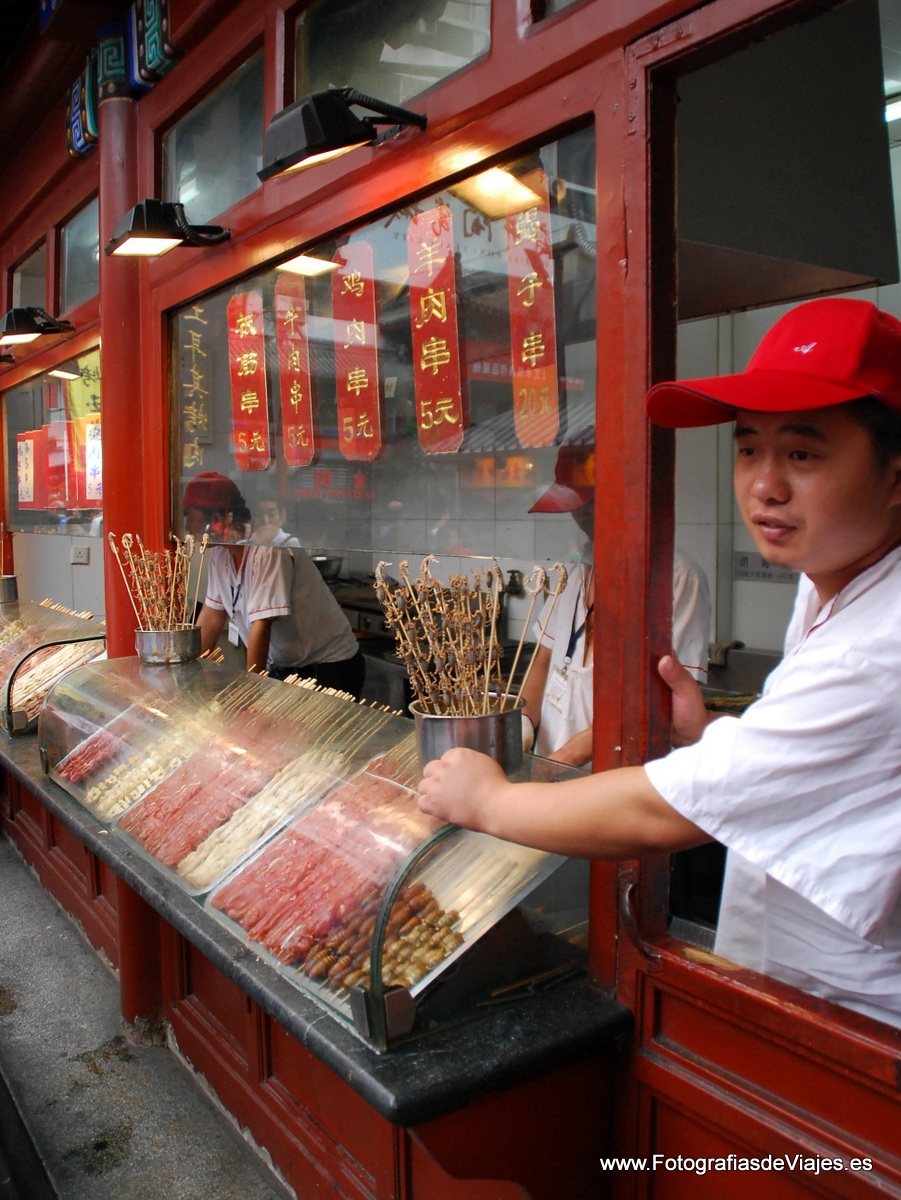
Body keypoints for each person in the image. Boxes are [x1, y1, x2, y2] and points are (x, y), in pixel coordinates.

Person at [418, 296, 901, 1029]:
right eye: (748, 449)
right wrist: (704, 738)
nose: (764, 485)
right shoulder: (830, 578)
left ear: (895, 475)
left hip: (856, 1024)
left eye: (802, 454)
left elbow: (661, 811)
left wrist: (489, 802)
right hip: (790, 983)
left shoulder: (879, 646)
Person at [521, 444, 710, 767]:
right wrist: (524, 724)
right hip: (550, 764)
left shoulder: (676, 577)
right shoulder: (572, 568)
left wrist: (568, 758)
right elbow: (543, 659)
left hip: (620, 773)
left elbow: (661, 700)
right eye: (575, 504)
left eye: (593, 501)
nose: (582, 514)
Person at [185, 473, 366, 698]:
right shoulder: (220, 552)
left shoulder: (270, 549)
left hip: (328, 667)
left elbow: (261, 625)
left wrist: (254, 692)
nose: (186, 527)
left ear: (218, 519)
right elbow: (212, 616)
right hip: (285, 666)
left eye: (191, 519)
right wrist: (185, 675)